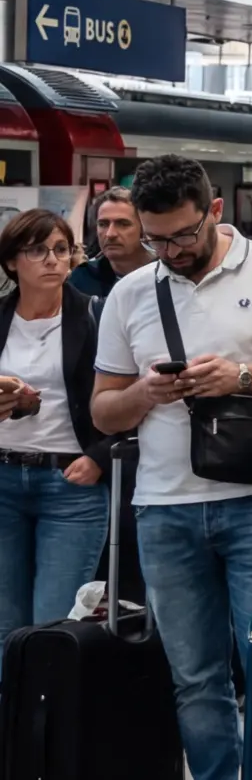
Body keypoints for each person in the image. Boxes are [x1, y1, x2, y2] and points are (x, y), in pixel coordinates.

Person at [90, 155, 252, 780]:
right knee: (194, 677)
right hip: (164, 507)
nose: (171, 251)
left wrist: (241, 377)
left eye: (183, 235)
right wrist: (146, 394)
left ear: (214, 211)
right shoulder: (131, 292)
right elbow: (103, 411)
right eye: (157, 239)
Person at [0, 209, 112, 637]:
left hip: (70, 484)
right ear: (12, 261)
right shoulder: (2, 318)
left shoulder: (95, 315)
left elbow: (133, 395)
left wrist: (99, 457)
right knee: (5, 622)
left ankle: (48, 707)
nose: (51, 259)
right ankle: (11, 704)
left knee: (55, 623)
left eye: (61, 250)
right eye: (37, 250)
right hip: (4, 476)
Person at [68, 186, 147, 301]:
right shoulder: (82, 277)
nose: (110, 234)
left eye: (123, 224)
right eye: (103, 224)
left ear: (143, 229)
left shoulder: (163, 274)